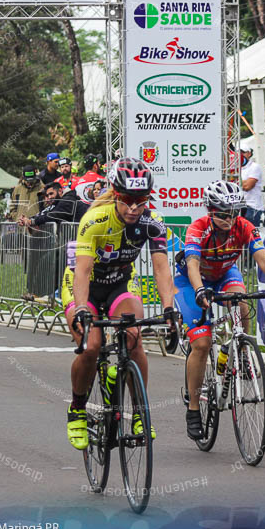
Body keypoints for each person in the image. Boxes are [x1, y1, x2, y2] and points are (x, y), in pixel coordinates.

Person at [65, 158, 179, 450]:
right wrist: (80, 308)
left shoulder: (152, 223)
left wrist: (169, 309)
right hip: (85, 286)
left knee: (133, 336)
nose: (133, 208)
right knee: (91, 346)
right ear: (116, 194)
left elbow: (161, 267)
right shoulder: (95, 219)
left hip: (119, 283)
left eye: (140, 201)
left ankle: (140, 412)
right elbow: (83, 271)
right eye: (127, 200)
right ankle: (77, 408)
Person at [177, 181, 265, 440]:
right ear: (210, 210)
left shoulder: (244, 227)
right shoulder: (198, 228)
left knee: (242, 304)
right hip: (192, 280)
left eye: (234, 213)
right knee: (202, 343)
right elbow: (193, 263)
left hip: (225, 272)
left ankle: (240, 351)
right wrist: (198, 290)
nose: (230, 219)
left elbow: (262, 257)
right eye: (223, 214)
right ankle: (194, 409)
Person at [239, 146, 264, 226]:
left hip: (252, 206)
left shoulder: (255, 166)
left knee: (251, 235)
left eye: (243, 152)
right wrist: (243, 182)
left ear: (249, 154)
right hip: (239, 206)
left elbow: (248, 186)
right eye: (238, 152)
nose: (240, 154)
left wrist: (234, 182)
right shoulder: (235, 168)